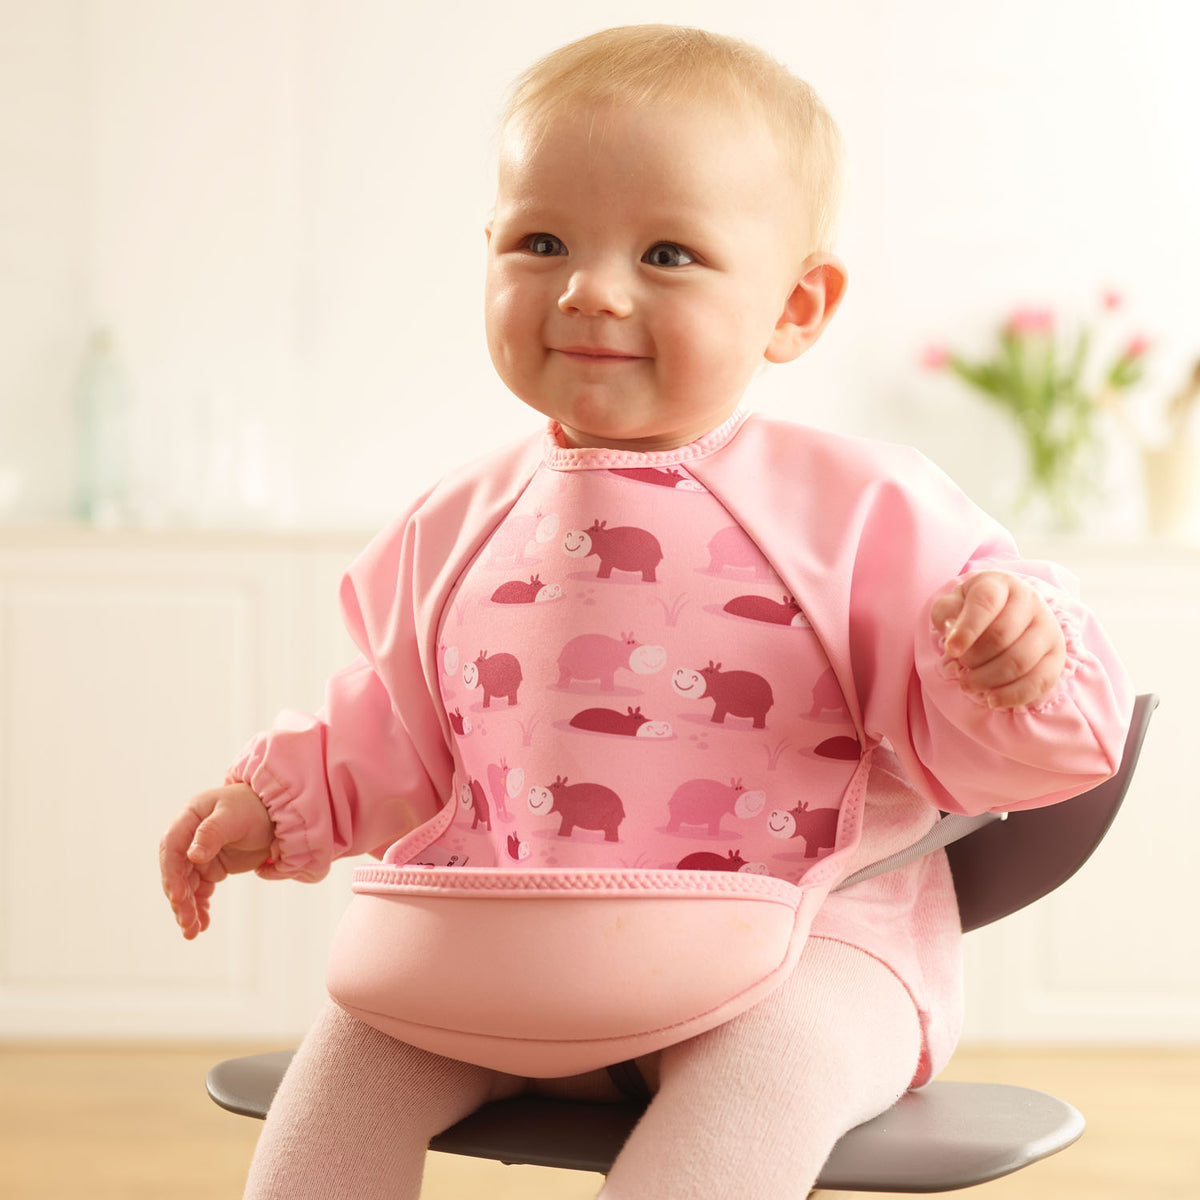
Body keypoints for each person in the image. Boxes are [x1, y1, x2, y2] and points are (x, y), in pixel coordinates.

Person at [159, 25, 1133, 1200]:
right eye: (542, 240)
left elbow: (1000, 760)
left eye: (668, 252)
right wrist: (278, 805)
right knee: (345, 1066)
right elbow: (408, 731)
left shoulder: (861, 514)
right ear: (487, 256)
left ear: (796, 306)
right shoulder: (457, 521)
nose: (589, 288)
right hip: (516, 952)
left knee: (753, 1094)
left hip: (806, 954)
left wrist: (1016, 668)